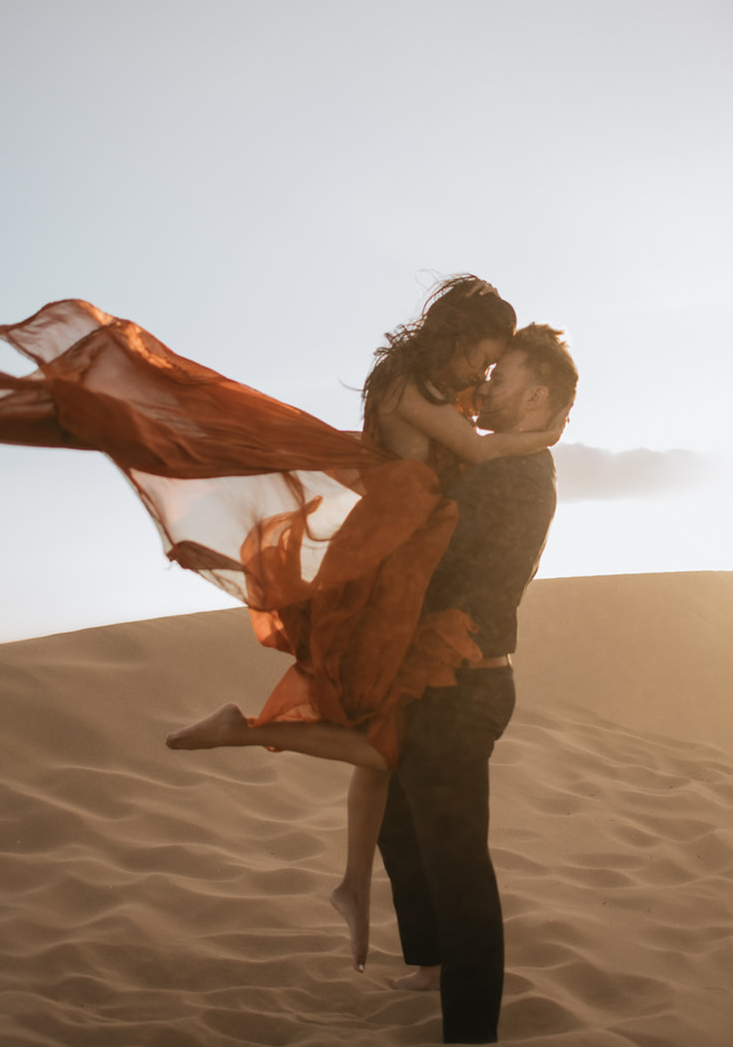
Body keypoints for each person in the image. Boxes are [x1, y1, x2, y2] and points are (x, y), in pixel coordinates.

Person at [164, 277, 568, 969]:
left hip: (410, 566)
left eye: (498, 368)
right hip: (389, 554)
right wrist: (547, 434)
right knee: (379, 738)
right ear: (461, 337)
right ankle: (254, 738)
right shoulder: (416, 391)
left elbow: (476, 507)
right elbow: (471, 457)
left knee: (388, 752)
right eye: (485, 359)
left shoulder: (451, 407)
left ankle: (366, 901)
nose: (483, 376)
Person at [377, 323, 578, 1044]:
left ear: (536, 394)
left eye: (501, 377)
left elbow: (453, 568)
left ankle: (471, 1030)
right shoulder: (487, 463)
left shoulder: (518, 477)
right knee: (396, 822)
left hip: (465, 688)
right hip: (433, 678)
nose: (484, 385)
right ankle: (431, 962)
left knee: (454, 853)